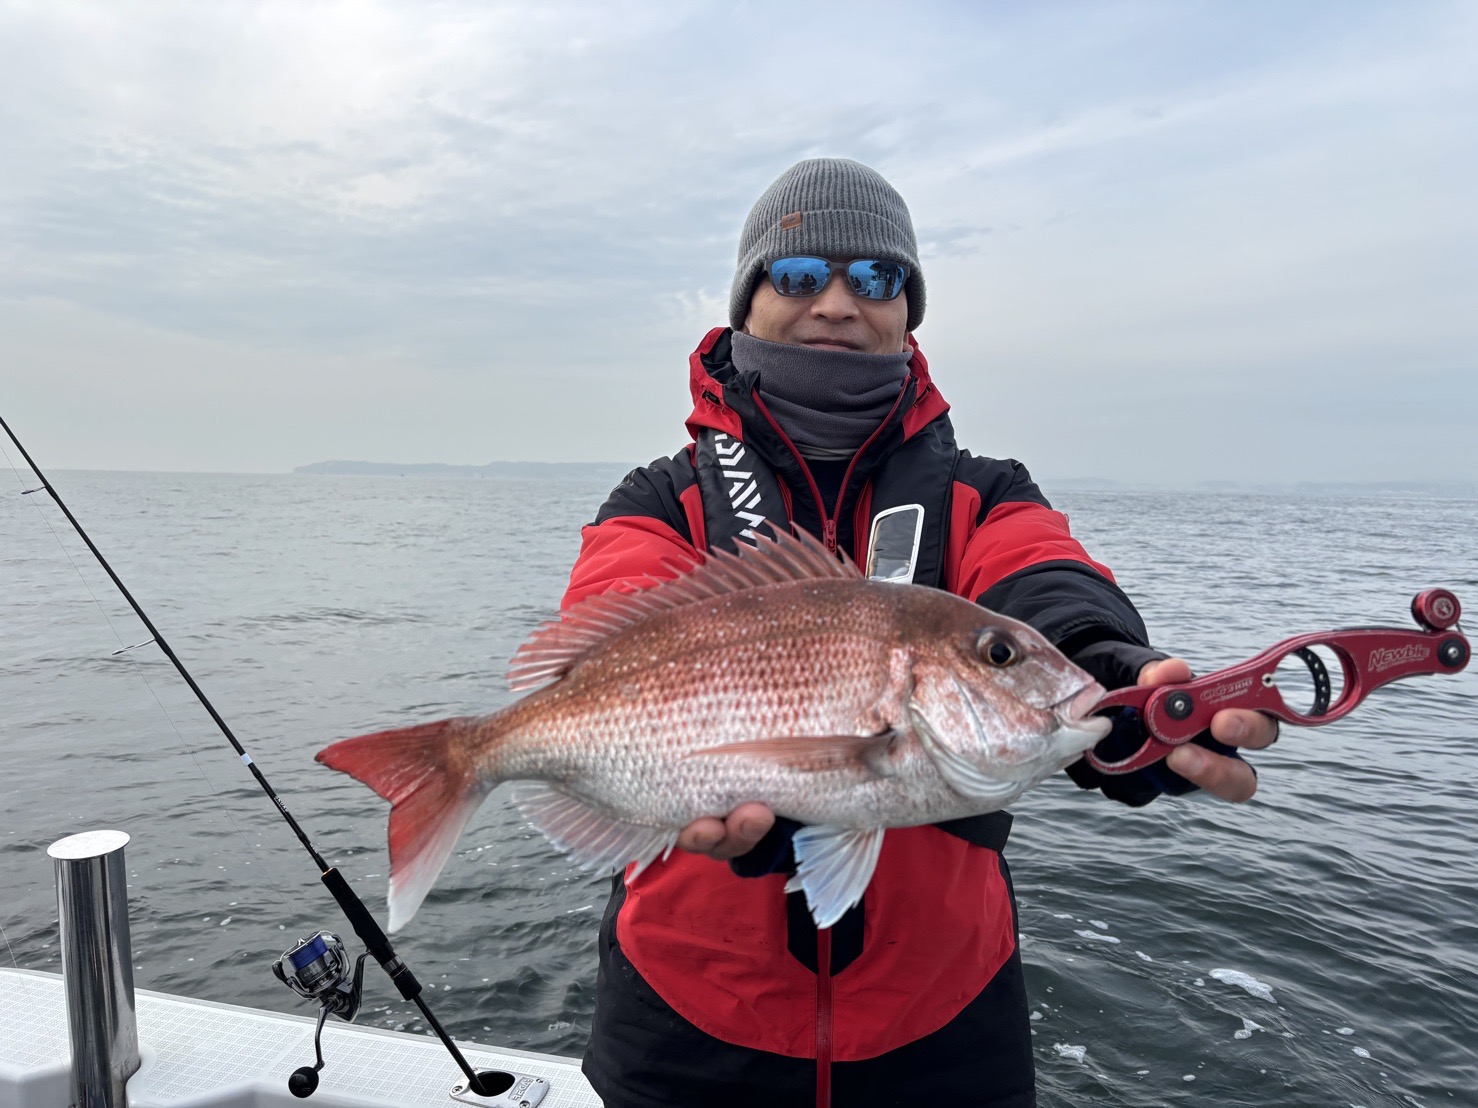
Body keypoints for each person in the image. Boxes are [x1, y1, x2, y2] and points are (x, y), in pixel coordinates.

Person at [560, 158, 1277, 1108]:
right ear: (747, 300)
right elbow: (603, 633)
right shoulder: (661, 500)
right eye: (799, 273)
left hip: (943, 1021)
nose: (837, 303)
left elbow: (1043, 581)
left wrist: (1116, 681)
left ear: (908, 308)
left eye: (876, 276)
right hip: (685, 1014)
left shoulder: (987, 492)